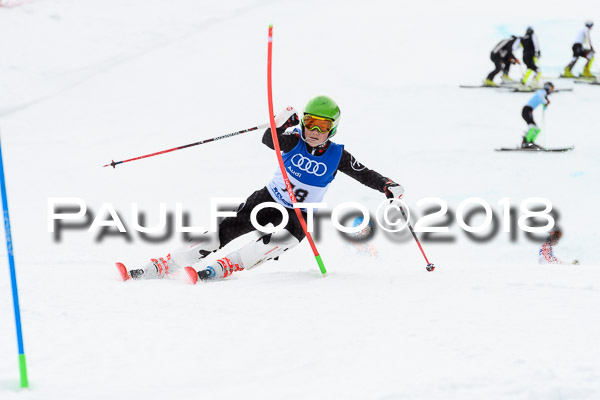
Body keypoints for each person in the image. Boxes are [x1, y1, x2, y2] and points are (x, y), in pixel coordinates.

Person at [115, 96, 405, 283]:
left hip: (299, 216)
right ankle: (166, 264)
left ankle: (223, 268)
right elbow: (270, 139)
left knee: (273, 244)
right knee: (222, 231)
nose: (315, 131)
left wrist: (387, 186)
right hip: (268, 200)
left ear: (333, 130)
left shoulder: (337, 155)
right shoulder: (293, 140)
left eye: (323, 126)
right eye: (310, 123)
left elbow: (363, 173)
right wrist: (281, 122)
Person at [520, 82, 554, 149]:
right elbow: (539, 96)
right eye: (551, 88)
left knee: (537, 129)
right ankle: (525, 143)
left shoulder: (544, 95)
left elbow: (544, 105)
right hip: (526, 110)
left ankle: (530, 142)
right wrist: (545, 102)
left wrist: (546, 104)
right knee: (532, 127)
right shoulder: (542, 91)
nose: (552, 90)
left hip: (529, 111)